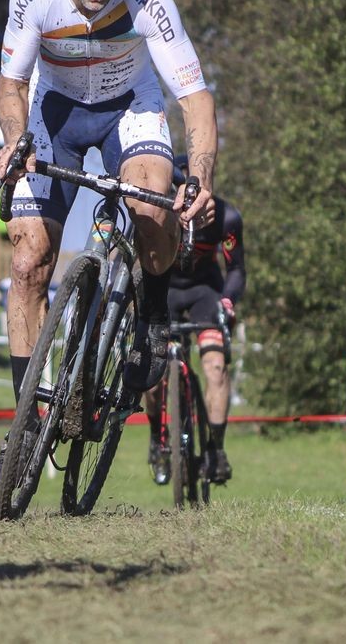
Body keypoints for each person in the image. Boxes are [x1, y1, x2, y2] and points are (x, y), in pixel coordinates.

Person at [0, 0, 218, 483]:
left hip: (130, 107)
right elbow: (11, 86)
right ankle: (25, 423)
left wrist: (203, 176)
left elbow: (193, 95)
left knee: (149, 205)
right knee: (27, 258)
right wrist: (17, 141)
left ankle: (151, 319)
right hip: (56, 109)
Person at [147, 157, 245, 485]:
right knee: (154, 371)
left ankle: (216, 450)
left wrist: (227, 302)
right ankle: (157, 438)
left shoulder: (227, 218)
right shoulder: (162, 210)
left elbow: (236, 270)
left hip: (206, 291)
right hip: (167, 291)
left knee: (215, 365)